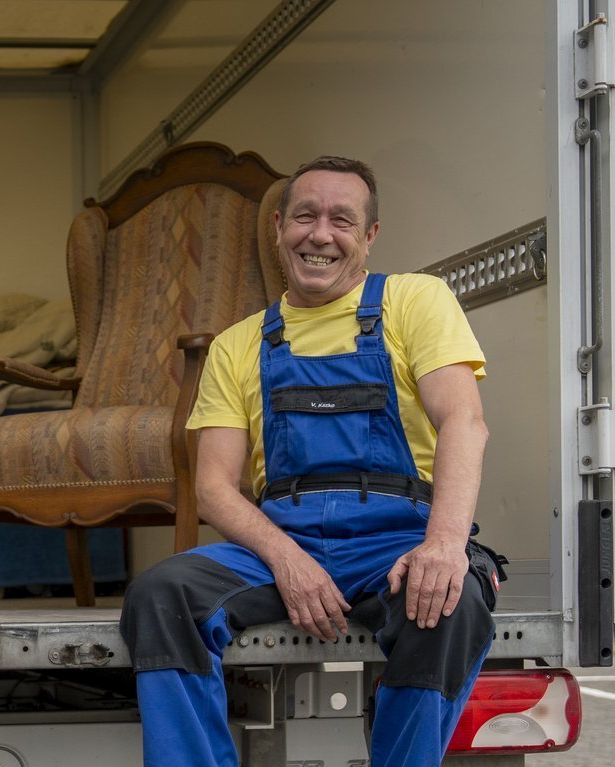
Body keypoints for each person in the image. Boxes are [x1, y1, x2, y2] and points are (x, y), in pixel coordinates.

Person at [118, 157, 500, 767]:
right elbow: (215, 487)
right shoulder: (238, 342)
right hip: (280, 541)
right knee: (162, 595)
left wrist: (445, 543)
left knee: (451, 603)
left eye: (341, 220)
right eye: (305, 215)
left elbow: (464, 422)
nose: (320, 234)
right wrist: (287, 560)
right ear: (278, 228)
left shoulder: (414, 301)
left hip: (396, 538)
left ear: (370, 236)